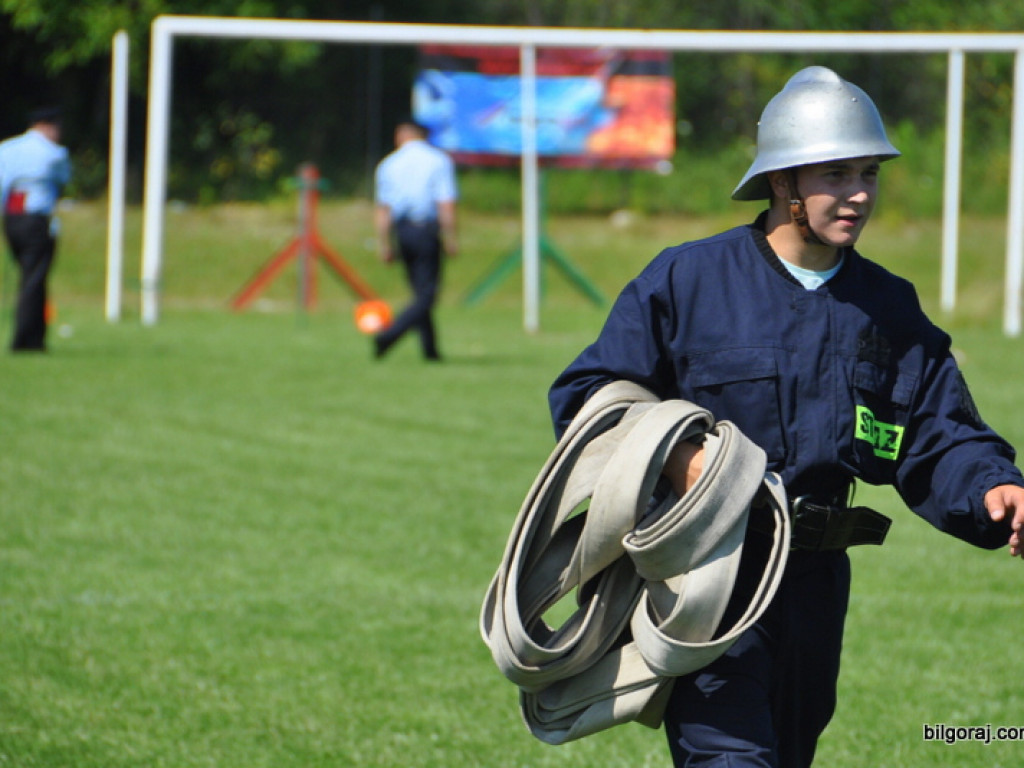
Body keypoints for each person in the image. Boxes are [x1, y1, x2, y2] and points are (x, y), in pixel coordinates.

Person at [547, 66, 1024, 768]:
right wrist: (678, 459)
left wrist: (991, 485)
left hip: (814, 591)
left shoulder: (889, 306)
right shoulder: (687, 280)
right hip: (709, 579)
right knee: (730, 757)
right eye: (835, 173)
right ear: (782, 182)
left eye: (869, 173)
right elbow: (589, 395)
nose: (858, 193)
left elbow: (937, 431)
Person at [372, 119, 458, 361]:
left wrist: (384, 243)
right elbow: (445, 202)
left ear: (402, 135)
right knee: (427, 295)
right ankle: (389, 334)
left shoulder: (388, 163)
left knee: (419, 292)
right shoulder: (438, 160)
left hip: (402, 231)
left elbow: (383, 209)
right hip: (425, 230)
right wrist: (451, 236)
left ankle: (430, 351)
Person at [0, 106, 71, 352]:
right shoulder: (54, 153)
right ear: (47, 127)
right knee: (34, 278)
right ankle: (26, 339)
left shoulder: (7, 148)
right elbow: (63, 180)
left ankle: (32, 336)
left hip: (12, 218)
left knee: (28, 276)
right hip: (36, 220)